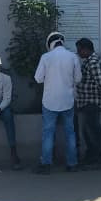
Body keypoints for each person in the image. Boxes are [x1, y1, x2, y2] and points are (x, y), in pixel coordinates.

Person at [33, 32, 80, 175]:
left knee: (48, 133)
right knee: (70, 132)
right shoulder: (73, 56)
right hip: (68, 100)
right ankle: (72, 163)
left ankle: (46, 164)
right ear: (62, 42)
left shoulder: (46, 57)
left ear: (50, 43)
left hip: (49, 101)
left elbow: (38, 79)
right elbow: (78, 78)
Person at [74, 38, 101, 169]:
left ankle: (96, 158)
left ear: (86, 49)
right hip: (88, 101)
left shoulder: (93, 62)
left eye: (79, 50)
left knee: (92, 131)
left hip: (91, 101)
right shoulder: (91, 60)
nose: (78, 53)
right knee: (89, 130)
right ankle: (92, 156)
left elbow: (100, 82)